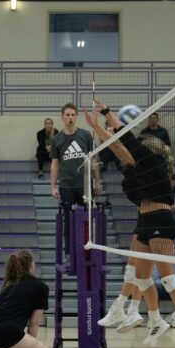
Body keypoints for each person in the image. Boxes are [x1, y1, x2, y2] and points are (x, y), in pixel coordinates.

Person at [86, 100, 175, 348]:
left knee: (167, 277)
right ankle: (155, 320)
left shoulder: (154, 162)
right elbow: (119, 147)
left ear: (150, 150)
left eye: (141, 147)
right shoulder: (137, 167)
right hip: (145, 220)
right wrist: (99, 124)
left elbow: (125, 140)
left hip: (161, 219)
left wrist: (103, 117)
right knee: (142, 277)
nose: (136, 149)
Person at [50, 102, 100, 257]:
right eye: (67, 115)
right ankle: (69, 255)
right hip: (67, 186)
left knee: (88, 219)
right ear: (62, 117)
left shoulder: (85, 135)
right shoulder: (56, 139)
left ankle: (89, 251)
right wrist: (53, 186)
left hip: (84, 185)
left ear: (76, 117)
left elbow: (93, 161)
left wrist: (97, 182)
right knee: (68, 221)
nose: (70, 118)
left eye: (72, 115)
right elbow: (55, 164)